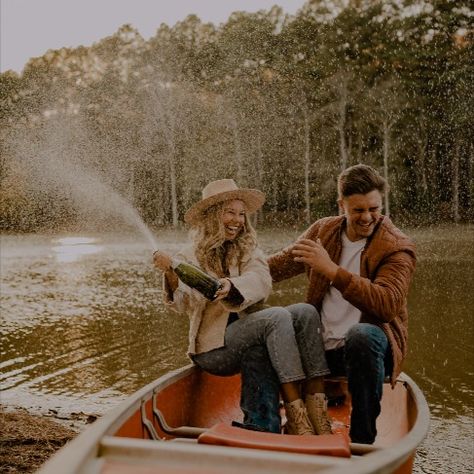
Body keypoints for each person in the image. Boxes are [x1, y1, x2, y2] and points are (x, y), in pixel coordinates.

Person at [153, 179, 332, 436]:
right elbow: (183, 302)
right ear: (213, 216)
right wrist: (171, 274)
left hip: (249, 333)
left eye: (241, 214)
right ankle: (297, 418)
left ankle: (314, 412)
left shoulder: (248, 249)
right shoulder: (187, 257)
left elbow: (261, 280)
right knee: (276, 317)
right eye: (229, 212)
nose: (237, 220)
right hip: (214, 350)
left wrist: (232, 286)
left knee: (305, 313)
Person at [264, 164, 417, 444]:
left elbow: (387, 305)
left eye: (374, 208)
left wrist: (332, 271)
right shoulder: (324, 230)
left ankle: (361, 441)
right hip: (322, 351)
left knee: (361, 336)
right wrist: (231, 278)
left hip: (370, 351)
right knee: (279, 321)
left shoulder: (397, 246)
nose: (368, 217)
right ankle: (270, 426)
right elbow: (278, 265)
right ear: (341, 206)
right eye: (358, 210)